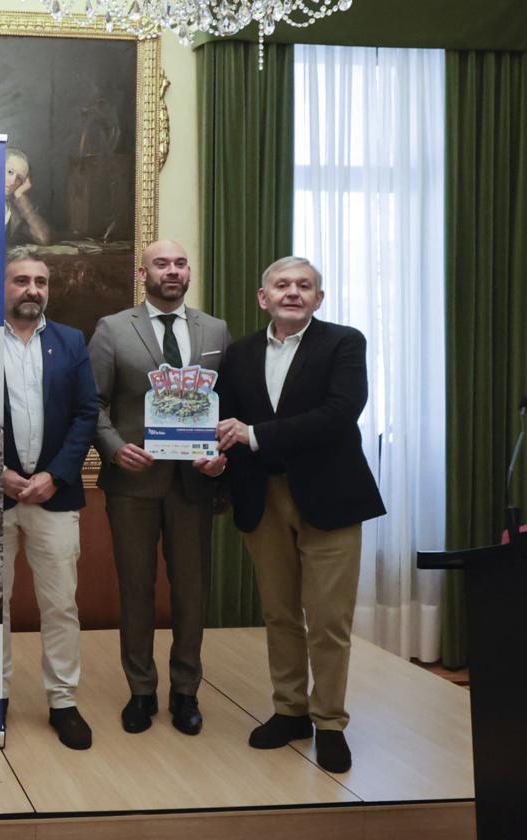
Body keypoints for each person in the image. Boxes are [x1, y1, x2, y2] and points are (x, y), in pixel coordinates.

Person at [215, 256, 384, 774]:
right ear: (263, 298)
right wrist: (212, 452)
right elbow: (221, 420)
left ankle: (330, 721)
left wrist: (254, 434)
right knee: (280, 613)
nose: (293, 292)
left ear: (319, 298)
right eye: (282, 285)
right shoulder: (239, 352)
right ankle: (290, 711)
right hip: (260, 497)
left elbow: (340, 413)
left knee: (328, 620)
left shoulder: (343, 343)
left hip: (329, 498)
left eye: (304, 286)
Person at [88, 239, 230, 737]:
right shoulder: (112, 329)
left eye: (180, 263)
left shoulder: (215, 330)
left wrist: (220, 455)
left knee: (191, 592)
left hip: (194, 483)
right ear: (142, 272)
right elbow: (94, 403)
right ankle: (141, 691)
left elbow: (226, 406)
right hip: (134, 481)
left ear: (189, 272)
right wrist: (112, 447)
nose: (172, 271)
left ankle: (186, 692)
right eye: (161, 264)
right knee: (137, 588)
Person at [1, 246, 99, 750]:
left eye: (40, 281)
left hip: (53, 496)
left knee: (59, 604)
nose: (32, 290)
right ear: (3, 286)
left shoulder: (70, 341)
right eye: (21, 280)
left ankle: (63, 700)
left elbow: (87, 413)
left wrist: (57, 476)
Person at [5, 147, 52, 246]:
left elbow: (42, 237)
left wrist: (20, 196)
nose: (13, 181)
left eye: (19, 178)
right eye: (10, 172)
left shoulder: (15, 206)